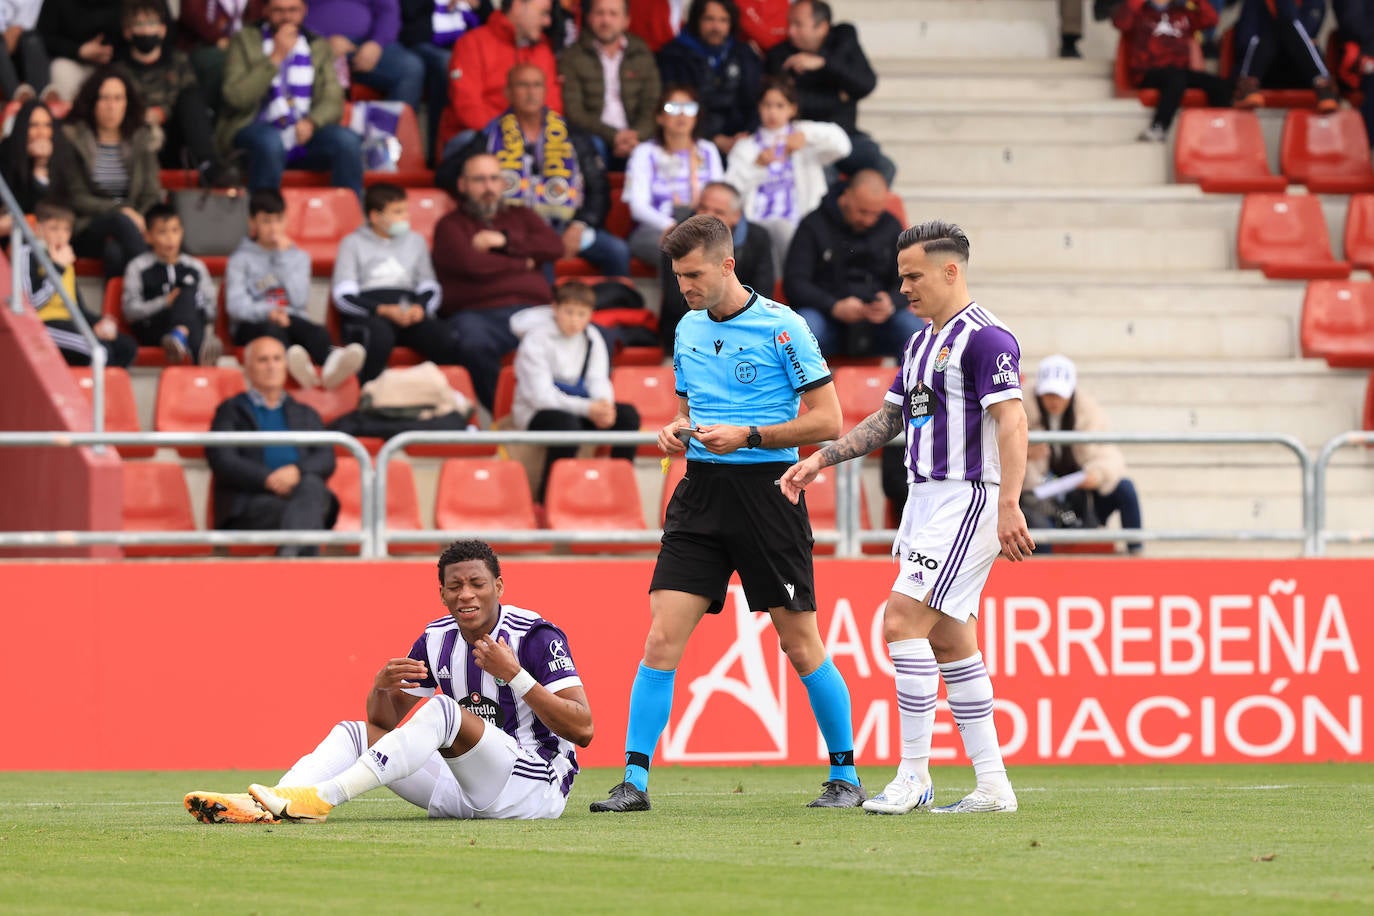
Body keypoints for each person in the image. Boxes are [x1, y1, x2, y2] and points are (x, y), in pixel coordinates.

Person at [590, 214, 865, 813]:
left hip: (769, 493)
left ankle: (845, 774)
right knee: (661, 637)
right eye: (677, 275)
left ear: (727, 265)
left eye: (693, 274)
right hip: (701, 494)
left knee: (799, 641)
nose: (683, 286)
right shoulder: (686, 328)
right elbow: (689, 408)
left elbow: (828, 420)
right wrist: (675, 431)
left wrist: (751, 435)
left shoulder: (783, 327)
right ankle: (633, 782)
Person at [780, 220, 1029, 816]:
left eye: (914, 276)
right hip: (924, 502)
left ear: (951, 270)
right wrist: (823, 457)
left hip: (965, 496)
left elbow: (1012, 421)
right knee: (949, 639)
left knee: (899, 622)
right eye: (901, 278)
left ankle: (913, 776)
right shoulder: (920, 342)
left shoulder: (988, 339)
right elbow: (889, 420)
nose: (904, 290)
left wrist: (1010, 502)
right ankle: (993, 786)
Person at [184, 538, 593, 823]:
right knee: (355, 733)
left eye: (477, 584)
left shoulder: (535, 636)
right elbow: (384, 721)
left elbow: (583, 728)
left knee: (443, 711)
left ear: (498, 587)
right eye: (455, 586)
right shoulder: (436, 639)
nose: (466, 594)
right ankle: (272, 802)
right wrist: (380, 687)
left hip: (533, 789)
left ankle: (323, 798)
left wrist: (515, 676)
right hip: (464, 790)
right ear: (442, 594)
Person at [455, 64, 630, 278]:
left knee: (617, 252)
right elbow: (451, 175)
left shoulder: (573, 135)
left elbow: (598, 189)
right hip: (514, 228)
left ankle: (617, 309)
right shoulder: (490, 136)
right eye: (523, 85)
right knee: (541, 252)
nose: (531, 92)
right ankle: (545, 310)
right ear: (508, 92)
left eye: (537, 85)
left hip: (566, 225)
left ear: (546, 91)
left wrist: (580, 225)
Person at [432, 152, 564, 409]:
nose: (489, 187)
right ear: (463, 185)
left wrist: (504, 242)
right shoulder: (450, 225)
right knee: (473, 344)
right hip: (479, 314)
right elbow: (472, 265)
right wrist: (524, 262)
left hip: (534, 309)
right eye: (479, 180)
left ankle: (561, 416)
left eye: (494, 179)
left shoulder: (521, 215)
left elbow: (554, 246)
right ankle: (502, 417)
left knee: (588, 334)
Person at [206, 336, 340, 557]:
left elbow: (326, 457)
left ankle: (287, 558)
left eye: (277, 359)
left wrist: (296, 472)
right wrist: (267, 478)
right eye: (263, 360)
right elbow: (222, 459)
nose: (271, 366)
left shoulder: (306, 413)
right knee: (308, 513)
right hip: (251, 503)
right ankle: (302, 566)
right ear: (247, 368)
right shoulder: (231, 411)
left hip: (302, 494)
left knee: (312, 488)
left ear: (286, 366)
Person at [218, 0, 364, 198]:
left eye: (293, 10)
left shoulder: (318, 45)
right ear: (266, 11)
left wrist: (313, 122)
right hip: (255, 127)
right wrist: (276, 57)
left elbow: (333, 99)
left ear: (304, 11)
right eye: (278, 10)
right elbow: (235, 97)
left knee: (347, 142)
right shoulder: (244, 40)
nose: (286, 17)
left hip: (305, 132)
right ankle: (264, 216)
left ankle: (348, 217)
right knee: (270, 143)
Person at [512, 281, 642, 501]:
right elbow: (539, 396)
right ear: (555, 308)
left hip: (580, 409)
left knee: (627, 416)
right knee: (566, 427)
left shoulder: (592, 337)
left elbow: (598, 379)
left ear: (590, 314)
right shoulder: (536, 340)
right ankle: (550, 498)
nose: (574, 320)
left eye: (581, 314)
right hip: (536, 412)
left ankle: (619, 492)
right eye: (568, 312)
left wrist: (604, 405)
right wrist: (587, 408)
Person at [227, 188, 367, 390]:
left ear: (286, 220)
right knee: (273, 332)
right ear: (252, 223)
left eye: (278, 220)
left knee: (318, 333)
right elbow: (236, 305)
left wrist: (283, 258)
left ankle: (331, 363)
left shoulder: (299, 258)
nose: (273, 227)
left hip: (291, 318)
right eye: (266, 221)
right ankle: (301, 366)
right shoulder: (240, 260)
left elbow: (299, 300)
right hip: (254, 323)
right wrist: (270, 312)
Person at [782, 169, 921, 360]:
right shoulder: (813, 224)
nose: (868, 220)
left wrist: (890, 302)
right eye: (862, 211)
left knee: (916, 333)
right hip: (827, 318)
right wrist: (834, 306)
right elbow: (795, 283)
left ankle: (919, 389)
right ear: (846, 196)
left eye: (875, 214)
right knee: (804, 330)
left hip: (879, 322)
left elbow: (911, 278)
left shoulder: (890, 226)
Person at [724, 74, 851, 272]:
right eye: (767, 105)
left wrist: (807, 136)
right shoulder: (745, 147)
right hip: (756, 226)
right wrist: (756, 167)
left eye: (780, 105)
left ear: (793, 109)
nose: (772, 112)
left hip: (804, 225)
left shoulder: (804, 137)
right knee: (774, 233)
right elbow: (730, 194)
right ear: (759, 107)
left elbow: (843, 146)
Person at [334, 182, 455, 383]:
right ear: (375, 216)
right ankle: (366, 398)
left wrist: (420, 308)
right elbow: (343, 296)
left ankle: (441, 398)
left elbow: (429, 286)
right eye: (398, 212)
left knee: (444, 336)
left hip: (409, 310)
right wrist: (382, 310)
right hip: (371, 312)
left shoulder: (416, 241)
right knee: (379, 336)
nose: (405, 217)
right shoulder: (352, 243)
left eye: (405, 210)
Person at [1023, 354, 1143, 554]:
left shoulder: (1087, 413)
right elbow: (997, 454)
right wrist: (1024, 452)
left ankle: (1137, 553)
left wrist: (1097, 475)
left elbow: (1107, 454)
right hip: (1037, 501)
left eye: (1059, 394)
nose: (1053, 401)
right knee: (1040, 532)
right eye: (1048, 394)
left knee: (1125, 489)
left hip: (1078, 499)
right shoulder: (1021, 411)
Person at [764, 0, 893, 185]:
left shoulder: (842, 41)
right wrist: (839, 98)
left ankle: (853, 203)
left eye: (798, 25)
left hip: (846, 134)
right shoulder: (781, 55)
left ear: (822, 27)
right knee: (823, 176)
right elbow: (794, 103)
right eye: (789, 24)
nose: (790, 31)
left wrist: (824, 64)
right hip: (805, 138)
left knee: (884, 166)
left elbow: (866, 83)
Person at [54, 66, 160, 280]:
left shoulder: (141, 139)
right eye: (104, 98)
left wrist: (135, 218)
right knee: (120, 223)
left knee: (115, 254)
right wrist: (121, 211)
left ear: (127, 103)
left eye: (118, 98)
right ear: (92, 102)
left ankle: (125, 311)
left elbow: (152, 192)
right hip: (87, 227)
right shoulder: (74, 139)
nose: (111, 106)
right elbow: (77, 197)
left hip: (133, 228)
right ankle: (156, 285)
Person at [115, 0, 237, 185]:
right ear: (127, 32)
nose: (147, 30)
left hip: (176, 137)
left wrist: (162, 113)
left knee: (191, 98)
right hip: (136, 135)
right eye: (139, 24)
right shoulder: (118, 69)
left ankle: (207, 164)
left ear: (163, 30)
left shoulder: (178, 61)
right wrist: (144, 115)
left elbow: (186, 95)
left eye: (151, 23)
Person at [656, 180, 772, 346]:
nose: (707, 215)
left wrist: (734, 323)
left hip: (745, 330)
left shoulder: (758, 238)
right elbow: (676, 300)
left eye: (718, 211)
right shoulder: (677, 238)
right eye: (703, 208)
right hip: (688, 331)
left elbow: (763, 292)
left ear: (736, 216)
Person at [439, 0, 563, 152]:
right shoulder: (472, 43)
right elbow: (468, 109)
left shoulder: (543, 50)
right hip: (479, 138)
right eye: (543, 13)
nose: (547, 22)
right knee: (473, 141)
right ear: (518, 5)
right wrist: (512, 135)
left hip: (531, 138)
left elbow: (553, 106)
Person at [26, 200, 137, 368]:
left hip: (69, 323)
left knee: (125, 347)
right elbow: (31, 304)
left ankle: (105, 392)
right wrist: (57, 268)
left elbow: (76, 307)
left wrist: (98, 323)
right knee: (99, 351)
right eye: (53, 228)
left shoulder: (65, 260)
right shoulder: (27, 255)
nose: (61, 235)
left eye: (66, 229)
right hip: (42, 325)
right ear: (38, 229)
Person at [623, 84, 724, 266]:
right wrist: (671, 227)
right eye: (673, 108)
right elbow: (638, 206)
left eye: (689, 108)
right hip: (656, 227)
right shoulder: (644, 152)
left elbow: (719, 197)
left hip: (701, 227)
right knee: (681, 250)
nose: (682, 115)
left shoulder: (708, 150)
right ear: (659, 117)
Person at [558, 0, 662, 169]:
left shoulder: (641, 52)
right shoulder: (573, 56)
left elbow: (652, 103)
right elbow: (574, 111)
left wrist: (636, 135)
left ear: (626, 20)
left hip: (636, 136)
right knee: (589, 147)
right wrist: (614, 135)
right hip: (595, 135)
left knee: (653, 149)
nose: (606, 21)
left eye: (613, 14)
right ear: (589, 17)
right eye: (600, 13)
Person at [121, 202, 224, 366]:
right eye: (162, 232)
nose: (170, 238)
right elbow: (130, 311)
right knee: (187, 295)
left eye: (175, 231)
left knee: (188, 292)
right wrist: (165, 302)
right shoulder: (137, 267)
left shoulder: (195, 266)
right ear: (147, 236)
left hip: (193, 322)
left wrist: (191, 305)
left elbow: (211, 308)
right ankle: (201, 355)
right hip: (153, 326)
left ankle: (181, 335)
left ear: (182, 233)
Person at [1113, 0, 1231, 143]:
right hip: (1148, 72)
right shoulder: (1140, 12)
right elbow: (1120, 23)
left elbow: (1211, 19)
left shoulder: (1182, 13)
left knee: (1219, 85)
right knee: (1175, 77)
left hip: (1179, 72)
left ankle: (1219, 132)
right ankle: (1158, 127)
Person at [655, 0, 761, 158]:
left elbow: (758, 101)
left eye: (723, 20)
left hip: (742, 142)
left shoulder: (744, 54)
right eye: (709, 19)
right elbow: (673, 106)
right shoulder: (673, 55)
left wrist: (746, 135)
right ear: (696, 20)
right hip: (691, 140)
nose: (716, 27)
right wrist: (713, 138)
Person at [399, 0, 492, 162]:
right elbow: (408, 12)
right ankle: (435, 154)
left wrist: (476, 4)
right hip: (424, 42)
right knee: (447, 64)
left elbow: (490, 18)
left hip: (466, 46)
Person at [305, 0, 425, 109]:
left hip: (364, 43)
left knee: (410, 68)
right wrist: (320, 40)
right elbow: (290, 11)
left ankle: (392, 131)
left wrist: (376, 43)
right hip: (311, 43)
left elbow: (389, 12)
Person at [1231, 0, 1338, 112]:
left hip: (1301, 69)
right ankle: (1322, 83)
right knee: (1277, 28)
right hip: (1264, 71)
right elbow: (1244, 42)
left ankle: (1321, 82)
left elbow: (1306, 34)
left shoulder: (1315, 2)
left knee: (1287, 25)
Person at [178, 0, 268, 113]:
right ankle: (213, 114)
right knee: (219, 62)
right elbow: (192, 15)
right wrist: (218, 38)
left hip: (247, 45)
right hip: (204, 46)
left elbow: (261, 17)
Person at [0, 99, 61, 244]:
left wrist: (41, 166)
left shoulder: (60, 154)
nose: (41, 132)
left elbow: (57, 204)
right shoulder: (6, 152)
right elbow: (16, 206)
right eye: (34, 125)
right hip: (12, 234)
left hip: (50, 232)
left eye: (47, 125)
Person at [35, 0, 120, 102]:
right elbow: (44, 37)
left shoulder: (118, 5)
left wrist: (108, 52)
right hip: (70, 61)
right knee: (60, 69)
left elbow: (126, 37)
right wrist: (78, 50)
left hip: (110, 64)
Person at [0, 0, 48, 100]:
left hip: (28, 43)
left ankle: (40, 104)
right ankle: (17, 100)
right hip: (3, 46)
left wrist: (17, 31)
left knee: (32, 41)